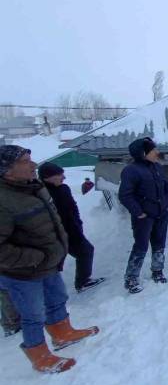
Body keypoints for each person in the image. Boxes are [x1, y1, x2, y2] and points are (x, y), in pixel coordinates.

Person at [0, 145, 99, 373]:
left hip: (48, 263)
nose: (33, 165)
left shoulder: (35, 188)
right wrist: (33, 257)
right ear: (8, 169)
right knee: (33, 314)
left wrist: (56, 250)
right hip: (23, 272)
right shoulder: (4, 200)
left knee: (57, 298)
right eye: (26, 161)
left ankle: (62, 333)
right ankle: (39, 356)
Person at [38, 162, 105, 292]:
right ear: (47, 177)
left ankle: (82, 281)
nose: (64, 178)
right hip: (54, 234)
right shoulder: (41, 193)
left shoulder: (64, 188)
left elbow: (72, 208)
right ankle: (48, 290)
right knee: (54, 261)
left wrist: (77, 222)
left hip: (72, 230)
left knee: (86, 251)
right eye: (59, 175)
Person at [118, 137, 168, 294]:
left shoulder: (157, 167)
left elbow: (165, 188)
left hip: (161, 213)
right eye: (153, 150)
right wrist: (138, 212)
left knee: (159, 244)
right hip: (144, 217)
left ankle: (157, 271)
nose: (157, 152)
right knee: (141, 246)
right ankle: (131, 278)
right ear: (143, 153)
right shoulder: (131, 170)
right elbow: (125, 195)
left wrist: (167, 204)